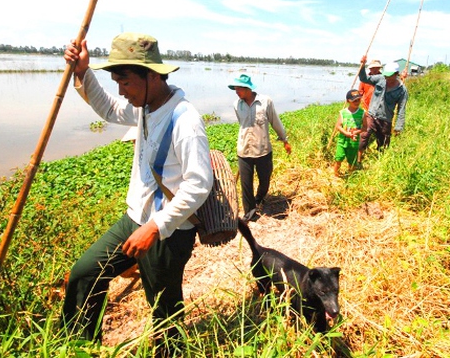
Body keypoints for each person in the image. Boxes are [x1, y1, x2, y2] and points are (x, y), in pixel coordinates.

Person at [61, 32, 213, 354]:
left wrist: (155, 227)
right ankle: (79, 347)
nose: (121, 91)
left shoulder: (185, 118)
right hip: (134, 220)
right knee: (84, 275)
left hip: (167, 233)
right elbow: (109, 110)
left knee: (163, 308)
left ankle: (171, 351)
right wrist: (83, 72)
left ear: (154, 76)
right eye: (117, 82)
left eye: (126, 82)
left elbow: (199, 183)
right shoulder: (145, 106)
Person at [228, 74, 291, 221]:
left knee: (265, 181)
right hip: (244, 150)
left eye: (239, 89)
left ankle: (259, 198)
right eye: (235, 89)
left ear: (248, 89)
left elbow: (275, 121)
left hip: (263, 150)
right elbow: (242, 124)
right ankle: (250, 213)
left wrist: (284, 140)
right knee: (246, 185)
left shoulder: (265, 102)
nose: (236, 92)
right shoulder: (237, 104)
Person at [357, 58, 409, 162]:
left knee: (383, 143)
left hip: (385, 120)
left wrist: (398, 127)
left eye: (389, 76)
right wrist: (362, 65)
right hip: (371, 115)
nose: (387, 79)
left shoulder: (402, 90)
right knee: (363, 137)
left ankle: (380, 163)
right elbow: (363, 78)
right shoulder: (380, 79)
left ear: (396, 74)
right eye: (386, 76)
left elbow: (401, 110)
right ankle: (357, 161)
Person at [333, 89, 364, 176]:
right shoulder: (343, 113)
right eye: (354, 100)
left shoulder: (362, 113)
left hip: (354, 142)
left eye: (358, 100)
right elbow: (338, 126)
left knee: (352, 160)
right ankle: (336, 175)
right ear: (348, 101)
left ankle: (351, 175)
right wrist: (346, 133)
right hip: (342, 141)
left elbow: (365, 127)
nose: (357, 102)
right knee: (338, 158)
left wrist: (356, 132)